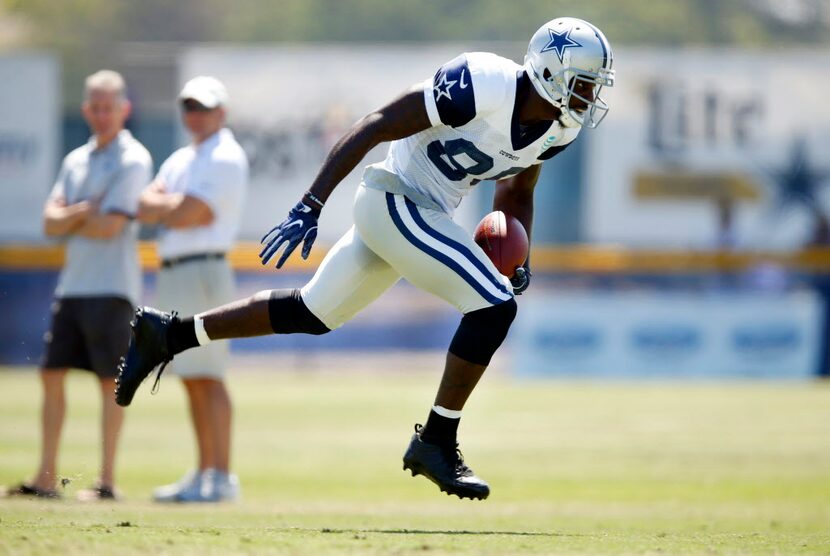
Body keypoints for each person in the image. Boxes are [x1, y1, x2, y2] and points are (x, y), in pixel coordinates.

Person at [116, 17, 615, 500]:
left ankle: (170, 333)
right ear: (550, 71)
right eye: (584, 84)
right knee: (494, 307)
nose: (590, 97)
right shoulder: (483, 83)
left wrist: (518, 244)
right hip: (395, 197)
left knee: (312, 313)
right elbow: (378, 123)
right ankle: (436, 440)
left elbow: (518, 186)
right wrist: (310, 204)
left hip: (422, 213)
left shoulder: (559, 129)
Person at [6, 70, 152, 500]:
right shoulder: (76, 159)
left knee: (110, 382)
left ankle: (107, 482)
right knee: (51, 374)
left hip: (113, 287)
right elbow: (50, 224)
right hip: (73, 286)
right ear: (87, 109)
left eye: (110, 107)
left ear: (123, 109)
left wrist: (73, 213)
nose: (103, 114)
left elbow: (110, 227)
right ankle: (46, 478)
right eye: (96, 107)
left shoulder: (134, 158)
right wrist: (86, 211)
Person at [135, 76, 249, 503]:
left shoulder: (225, 155)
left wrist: (165, 206)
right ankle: (204, 471)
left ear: (221, 112)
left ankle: (221, 476)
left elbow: (194, 213)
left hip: (203, 269)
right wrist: (169, 207)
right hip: (175, 270)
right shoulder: (184, 157)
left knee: (209, 375)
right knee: (190, 377)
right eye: (189, 107)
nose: (194, 115)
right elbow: (144, 203)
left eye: (203, 107)